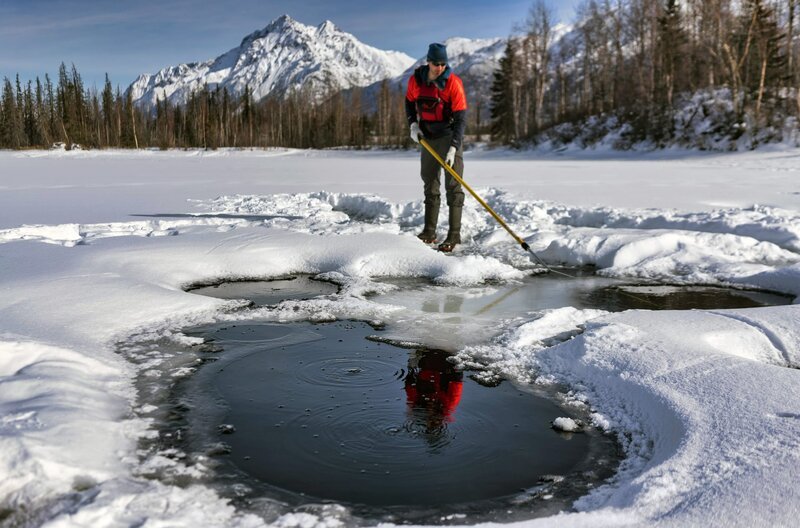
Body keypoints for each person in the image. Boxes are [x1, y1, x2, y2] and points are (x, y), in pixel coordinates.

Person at [405, 42, 468, 252]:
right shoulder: (416, 80)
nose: (440, 67)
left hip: (449, 137)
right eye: (436, 63)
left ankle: (454, 236)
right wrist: (413, 124)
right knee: (430, 183)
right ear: (428, 62)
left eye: (443, 64)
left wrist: (454, 147)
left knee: (453, 186)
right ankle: (429, 232)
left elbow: (461, 119)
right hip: (428, 138)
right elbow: (409, 101)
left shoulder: (453, 83)